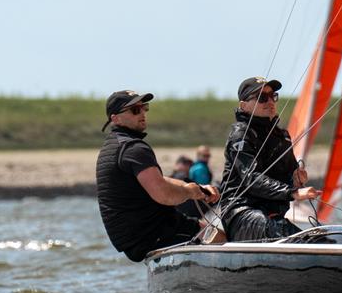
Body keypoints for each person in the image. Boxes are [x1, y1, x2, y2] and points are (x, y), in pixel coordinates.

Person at [96, 90, 219, 262]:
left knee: (204, 228)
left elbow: (158, 181)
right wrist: (191, 193)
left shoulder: (111, 147)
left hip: (135, 239)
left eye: (144, 108)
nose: (143, 113)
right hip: (153, 234)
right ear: (115, 118)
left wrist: (194, 187)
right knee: (217, 236)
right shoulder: (134, 149)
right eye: (135, 110)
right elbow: (163, 194)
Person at [219, 77, 320, 241]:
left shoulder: (282, 136)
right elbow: (251, 178)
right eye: (261, 98)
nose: (270, 101)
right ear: (244, 106)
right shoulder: (241, 135)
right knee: (289, 235)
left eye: (273, 96)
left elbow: (289, 176)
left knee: (317, 238)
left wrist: (296, 180)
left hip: (273, 216)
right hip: (241, 214)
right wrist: (293, 192)